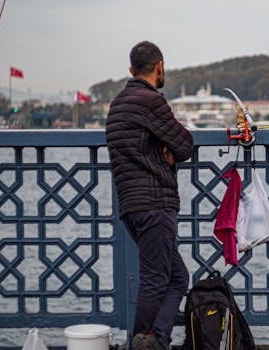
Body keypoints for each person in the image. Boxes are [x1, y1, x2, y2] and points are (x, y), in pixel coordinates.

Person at [105, 41, 194, 350]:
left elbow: (139, 149)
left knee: (177, 277)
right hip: (156, 203)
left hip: (131, 205)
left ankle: (156, 339)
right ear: (160, 65)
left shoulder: (117, 105)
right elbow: (184, 146)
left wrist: (160, 149)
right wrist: (168, 152)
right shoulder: (152, 102)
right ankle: (145, 342)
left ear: (131, 70)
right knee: (157, 279)